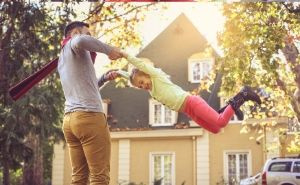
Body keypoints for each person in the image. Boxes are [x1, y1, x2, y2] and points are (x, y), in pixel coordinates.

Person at [122, 53, 261, 134]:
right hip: (189, 111)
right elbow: (131, 77)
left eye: (141, 81)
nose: (142, 86)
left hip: (191, 102)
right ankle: (229, 108)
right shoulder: (152, 91)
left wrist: (124, 55)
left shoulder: (157, 76)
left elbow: (140, 65)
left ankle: (243, 94)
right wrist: (117, 73)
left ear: (146, 74)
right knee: (215, 129)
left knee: (221, 122)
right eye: (139, 86)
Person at [57, 21, 123, 185]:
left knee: (79, 177)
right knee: (99, 177)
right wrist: (109, 50)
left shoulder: (64, 58)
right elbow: (81, 40)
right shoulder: (75, 43)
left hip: (70, 122)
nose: (90, 38)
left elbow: (87, 85)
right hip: (89, 117)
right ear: (74, 34)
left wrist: (105, 78)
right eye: (88, 34)